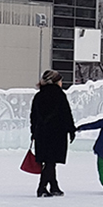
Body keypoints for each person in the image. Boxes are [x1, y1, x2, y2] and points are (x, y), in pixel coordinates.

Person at [29, 69, 76, 197]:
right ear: (55, 81)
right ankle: (42, 188)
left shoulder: (39, 96)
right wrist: (71, 130)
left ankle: (54, 186)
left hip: (41, 133)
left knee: (48, 160)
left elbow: (33, 116)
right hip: (57, 132)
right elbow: (66, 114)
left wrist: (33, 132)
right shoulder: (59, 95)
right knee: (51, 160)